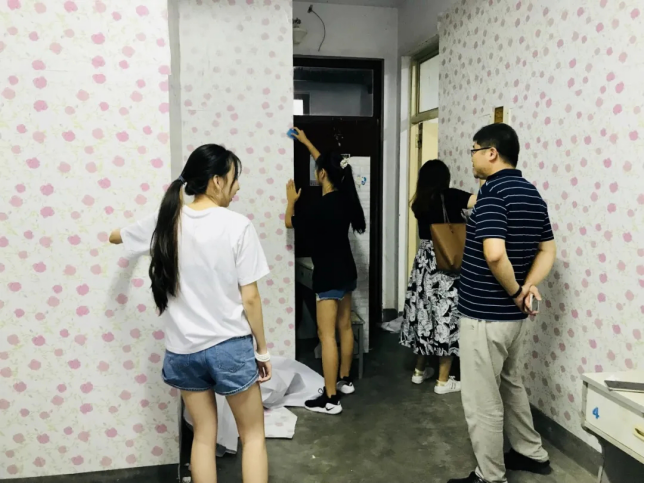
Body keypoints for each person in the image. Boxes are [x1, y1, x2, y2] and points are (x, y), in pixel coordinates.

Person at [109, 145, 272, 484]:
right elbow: (251, 298)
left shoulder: (167, 220)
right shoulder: (238, 226)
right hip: (229, 348)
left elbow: (115, 237)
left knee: (203, 436)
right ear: (216, 181)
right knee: (253, 436)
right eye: (234, 178)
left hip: (182, 352)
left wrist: (142, 237)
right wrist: (262, 350)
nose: (238, 187)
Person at [450, 124, 557, 484]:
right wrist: (527, 288)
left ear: (491, 153)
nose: (472, 158)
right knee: (510, 384)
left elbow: (494, 254)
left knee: (481, 398)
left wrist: (515, 291)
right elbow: (547, 250)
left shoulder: (492, 193)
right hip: (513, 320)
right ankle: (531, 453)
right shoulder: (532, 193)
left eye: (474, 150)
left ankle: (490, 476)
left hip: (486, 317)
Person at [285, 127, 366, 415]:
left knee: (326, 334)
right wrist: (307, 142)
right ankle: (345, 380)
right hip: (346, 271)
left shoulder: (317, 208)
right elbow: (329, 166)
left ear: (321, 174)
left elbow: (289, 223)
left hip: (328, 276)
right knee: (344, 327)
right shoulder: (346, 199)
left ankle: (331, 398)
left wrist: (291, 202)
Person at [400, 160, 477, 393]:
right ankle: (443, 381)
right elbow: (481, 200)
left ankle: (419, 371)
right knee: (446, 318)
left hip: (424, 263)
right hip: (445, 262)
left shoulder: (419, 201)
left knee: (425, 314)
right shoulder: (450, 196)